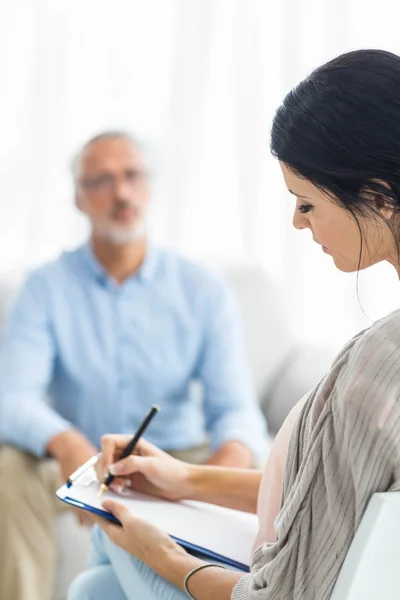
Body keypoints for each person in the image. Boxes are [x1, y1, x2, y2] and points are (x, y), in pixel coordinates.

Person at [68, 49, 400, 600]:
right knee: (97, 586)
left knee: (105, 555)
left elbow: (282, 594)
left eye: (306, 203)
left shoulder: (376, 367)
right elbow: (333, 492)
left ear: (376, 196)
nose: (297, 222)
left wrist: (163, 553)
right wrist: (188, 479)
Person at [0, 131, 268, 600]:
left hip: (180, 455)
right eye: (102, 180)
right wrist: (68, 445)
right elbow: (12, 397)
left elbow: (237, 411)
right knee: (8, 470)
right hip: (81, 459)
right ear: (79, 199)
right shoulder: (44, 288)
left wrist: (214, 478)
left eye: (131, 176)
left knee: (261, 466)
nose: (120, 192)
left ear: (149, 187)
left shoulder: (202, 289)